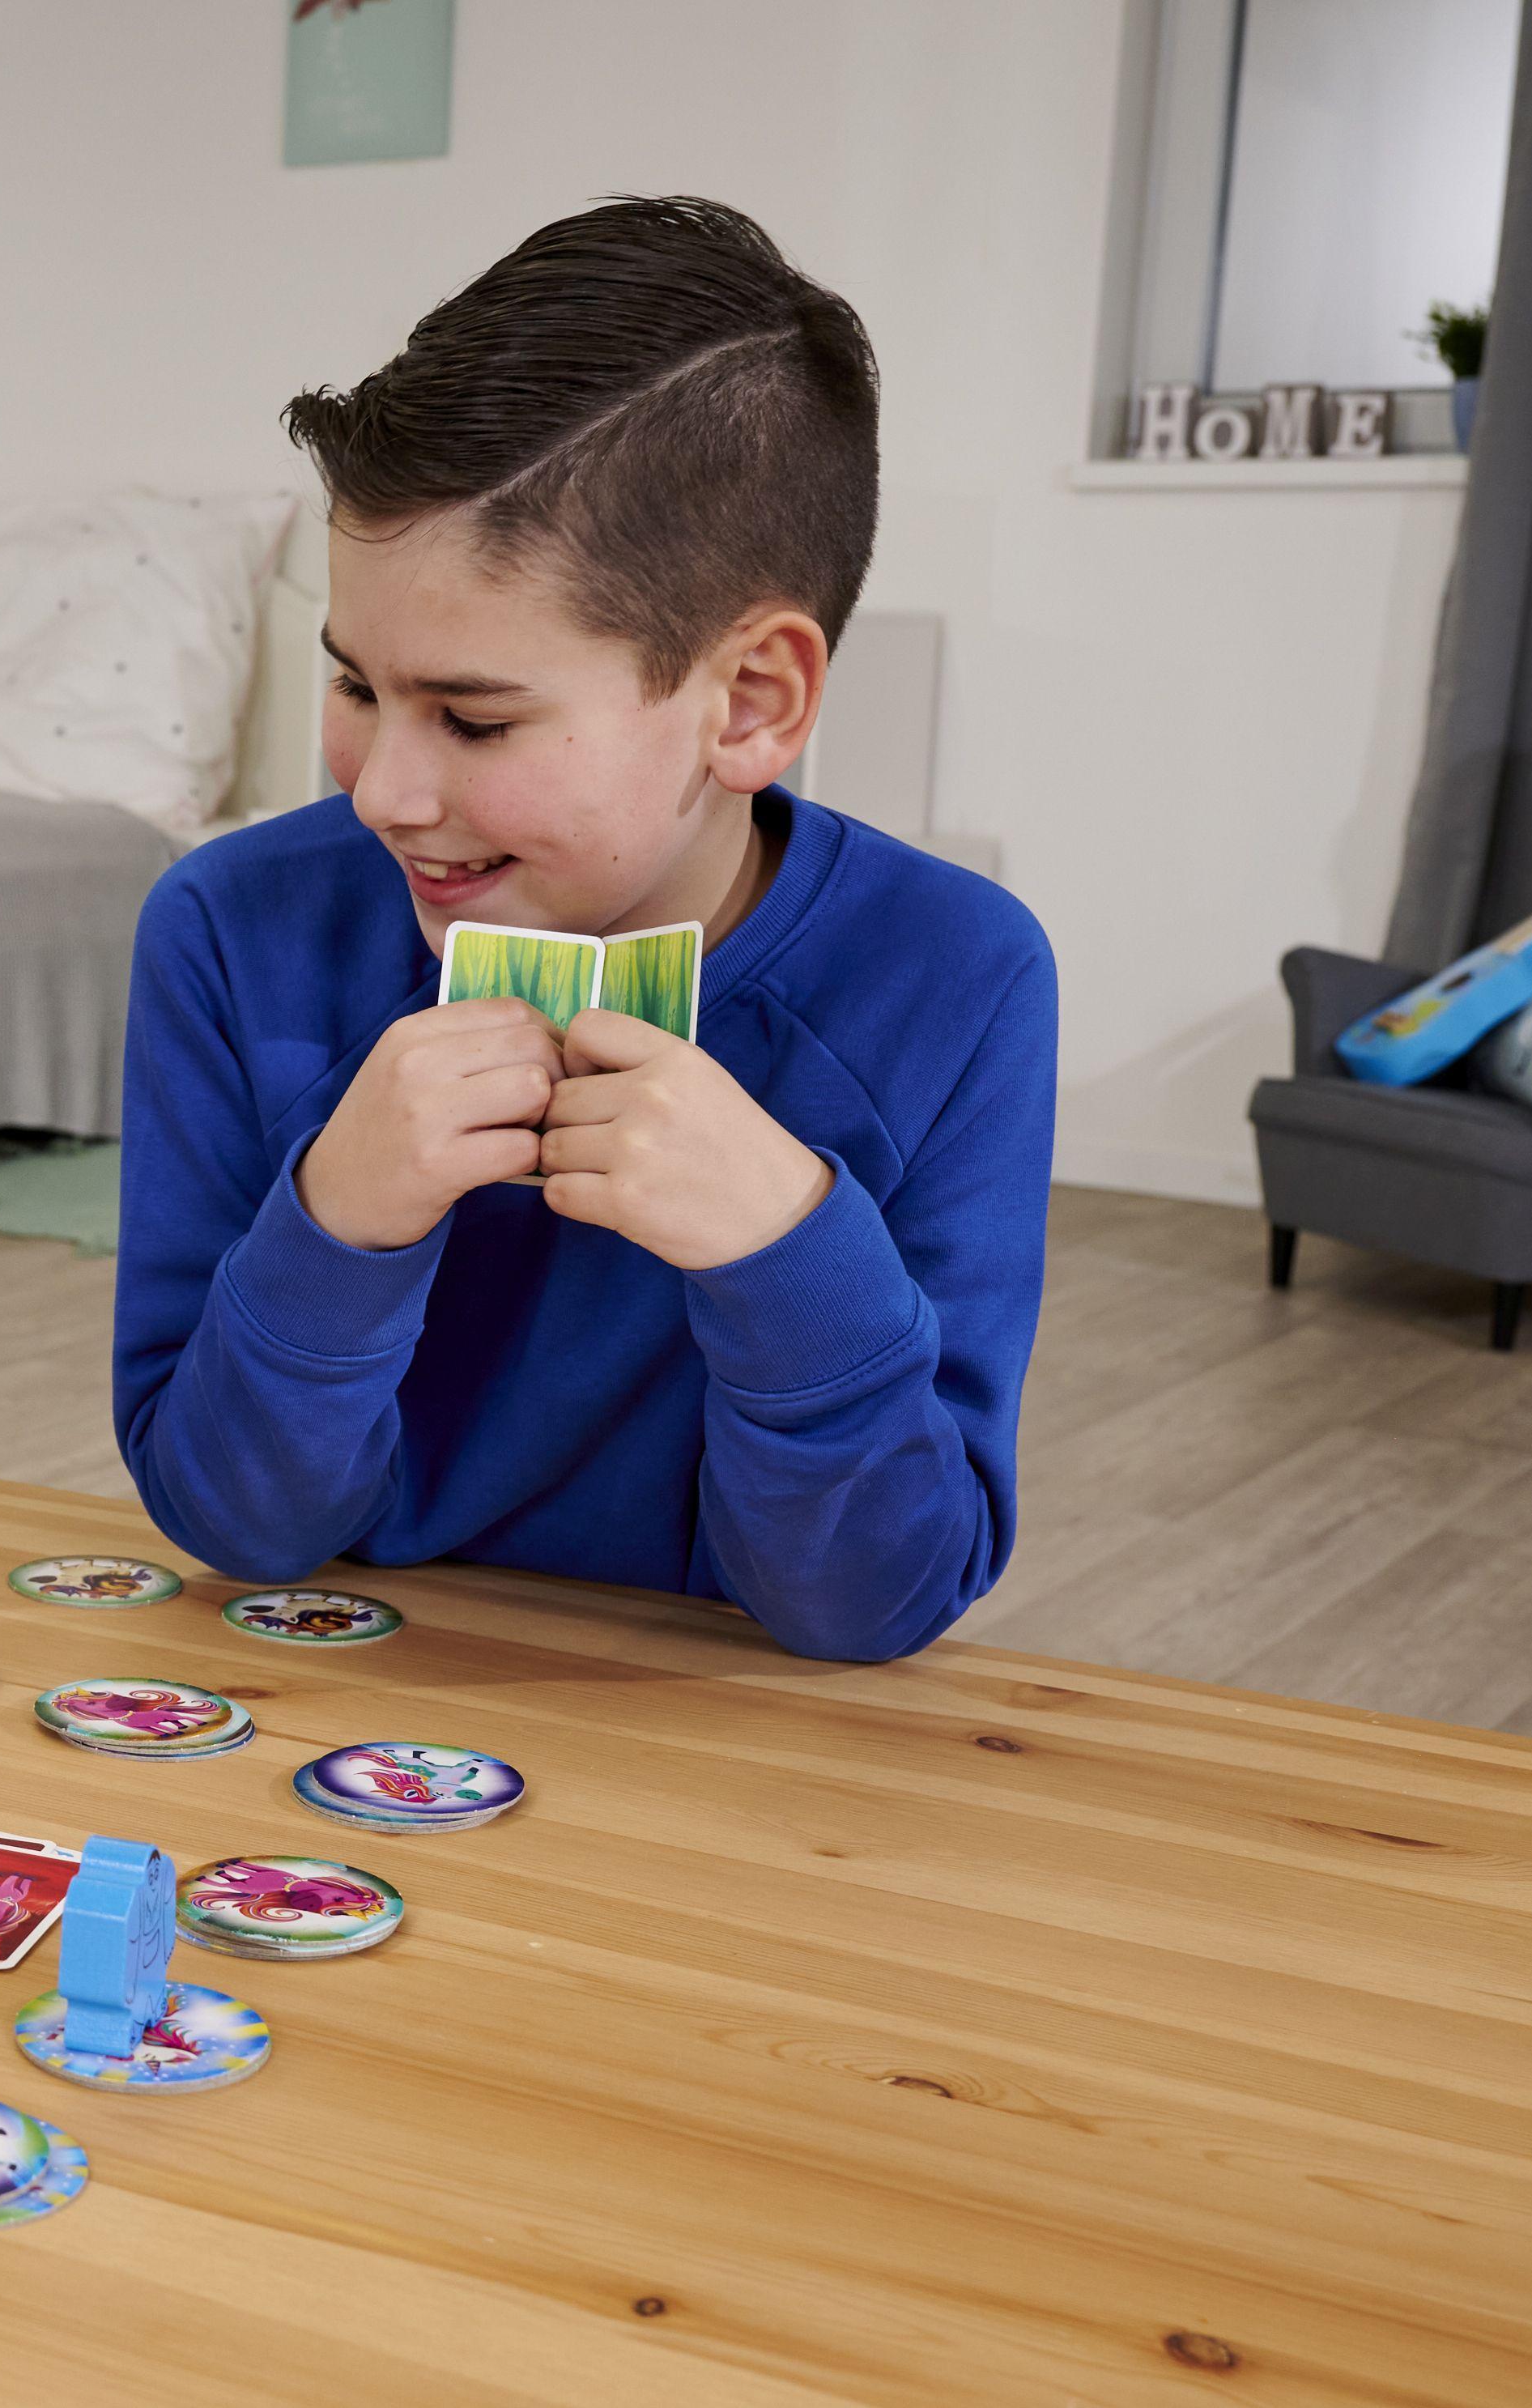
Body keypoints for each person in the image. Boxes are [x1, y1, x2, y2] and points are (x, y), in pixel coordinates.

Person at [114, 197, 1055, 1661]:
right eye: (354, 684)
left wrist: (785, 1251)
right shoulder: (230, 932)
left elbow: (872, 1604)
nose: (382, 792)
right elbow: (235, 1526)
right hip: (331, 1721)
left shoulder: (957, 979)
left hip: (729, 1753)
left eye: (474, 716)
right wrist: (337, 1222)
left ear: (749, 702)